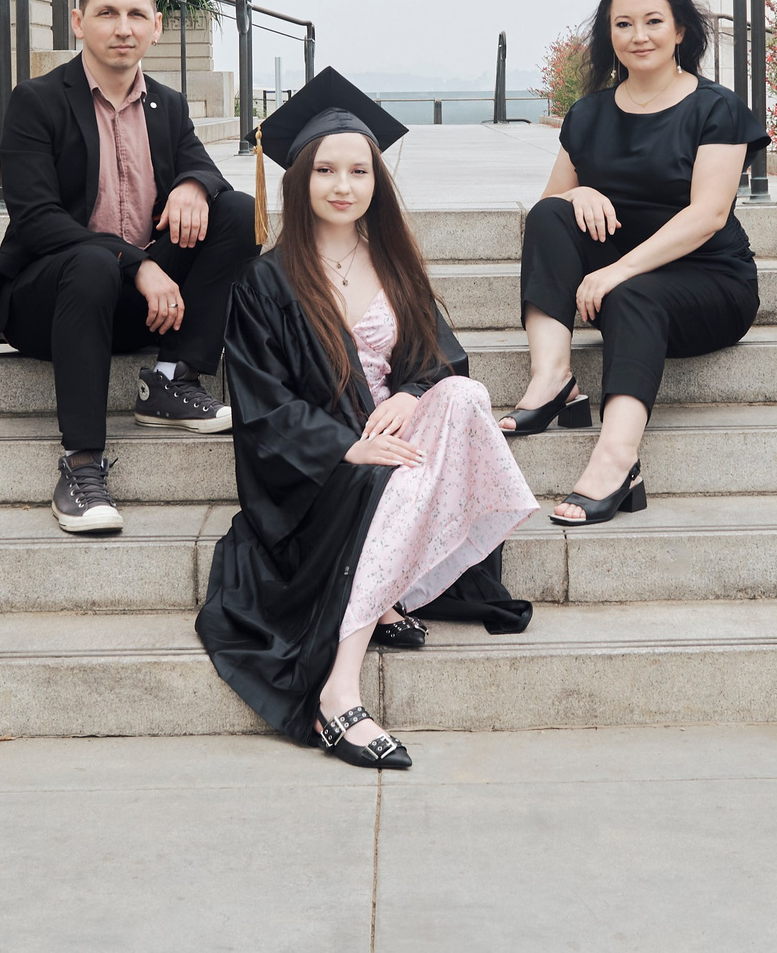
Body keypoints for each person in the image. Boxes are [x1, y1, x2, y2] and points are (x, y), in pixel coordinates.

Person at [198, 70, 536, 770]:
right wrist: (346, 448)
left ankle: (388, 587)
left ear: (377, 180)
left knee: (465, 399)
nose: (342, 184)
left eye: (358, 170)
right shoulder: (269, 279)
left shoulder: (393, 262)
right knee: (400, 478)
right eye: (325, 170)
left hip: (394, 434)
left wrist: (413, 394)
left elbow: (439, 357)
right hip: (316, 468)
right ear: (301, 178)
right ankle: (338, 689)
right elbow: (262, 403)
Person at [0, 0, 259, 536]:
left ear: (156, 29)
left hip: (139, 306)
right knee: (95, 259)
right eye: (107, 13)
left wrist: (194, 185)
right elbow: (36, 219)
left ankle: (173, 380)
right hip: (52, 304)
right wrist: (141, 262)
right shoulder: (37, 101)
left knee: (239, 212)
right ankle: (81, 465)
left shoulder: (168, 105)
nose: (122, 27)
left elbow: (201, 162)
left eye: (136, 14)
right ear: (78, 22)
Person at [496, 0, 770, 524]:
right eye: (623, 24)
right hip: (621, 275)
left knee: (632, 295)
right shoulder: (588, 113)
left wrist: (615, 271)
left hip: (709, 282)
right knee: (552, 212)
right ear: (609, 36)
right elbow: (550, 203)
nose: (638, 34)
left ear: (679, 33)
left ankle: (618, 460)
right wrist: (584, 192)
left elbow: (708, 215)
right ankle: (552, 379)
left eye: (652, 21)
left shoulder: (716, 108)